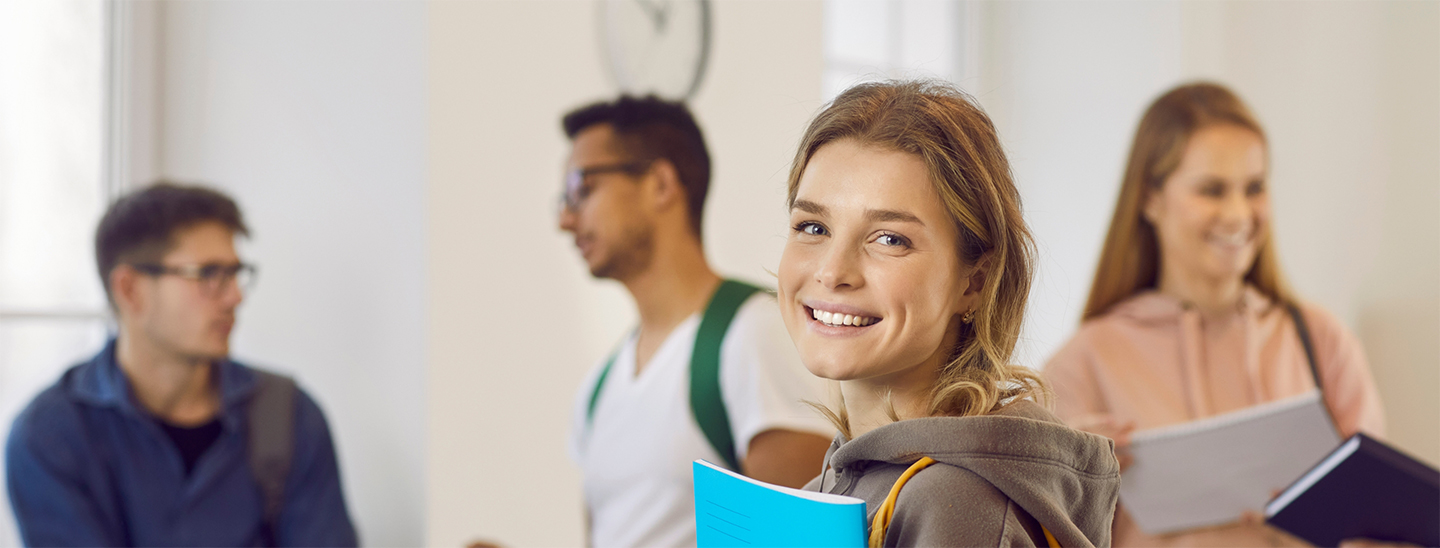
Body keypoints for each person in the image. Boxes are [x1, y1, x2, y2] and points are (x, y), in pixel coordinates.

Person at [1044, 82, 1386, 547]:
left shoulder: (1322, 340)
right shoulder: (1083, 362)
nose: (1238, 213)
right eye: (1212, 190)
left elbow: (1380, 529)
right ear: (1150, 198)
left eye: (1254, 188)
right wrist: (1059, 474)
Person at [782, 80, 1120, 547]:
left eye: (889, 238)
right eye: (813, 226)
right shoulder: (835, 487)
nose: (832, 271)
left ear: (974, 282)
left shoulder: (955, 503)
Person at [5, 182, 357, 547]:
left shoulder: (290, 417)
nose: (235, 296)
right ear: (129, 290)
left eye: (236, 273)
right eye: (208, 274)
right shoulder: (49, 438)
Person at [558, 95, 834, 547]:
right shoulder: (597, 389)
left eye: (582, 188)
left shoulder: (754, 333)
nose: (566, 219)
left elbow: (798, 539)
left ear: (661, 183)